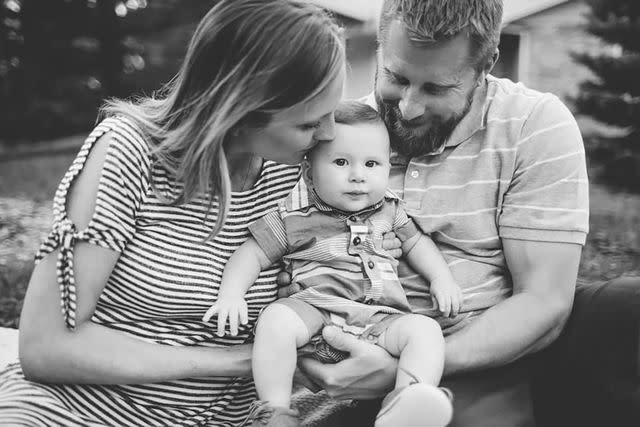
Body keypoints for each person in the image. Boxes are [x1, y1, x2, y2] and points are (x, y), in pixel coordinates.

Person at [281, 1, 630, 426]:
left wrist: (407, 370)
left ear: (487, 64)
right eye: (396, 77)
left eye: (436, 88)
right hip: (341, 348)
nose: (408, 107)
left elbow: (543, 302)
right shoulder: (337, 137)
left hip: (475, 362)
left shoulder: (533, 125)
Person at [0, 1, 347, 425]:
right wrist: (234, 361)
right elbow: (45, 346)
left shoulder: (302, 172)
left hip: (230, 418)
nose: (329, 134)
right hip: (81, 407)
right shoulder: (127, 154)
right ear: (240, 111)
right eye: (310, 123)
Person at [206, 101, 461, 426]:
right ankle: (275, 412)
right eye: (341, 162)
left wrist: (442, 279)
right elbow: (251, 253)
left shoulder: (390, 211)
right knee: (275, 320)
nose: (357, 176)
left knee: (425, 330)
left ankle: (407, 404)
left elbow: (417, 243)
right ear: (309, 171)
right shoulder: (294, 216)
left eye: (372, 164)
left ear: (388, 168)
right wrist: (231, 295)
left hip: (379, 321)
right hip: (313, 315)